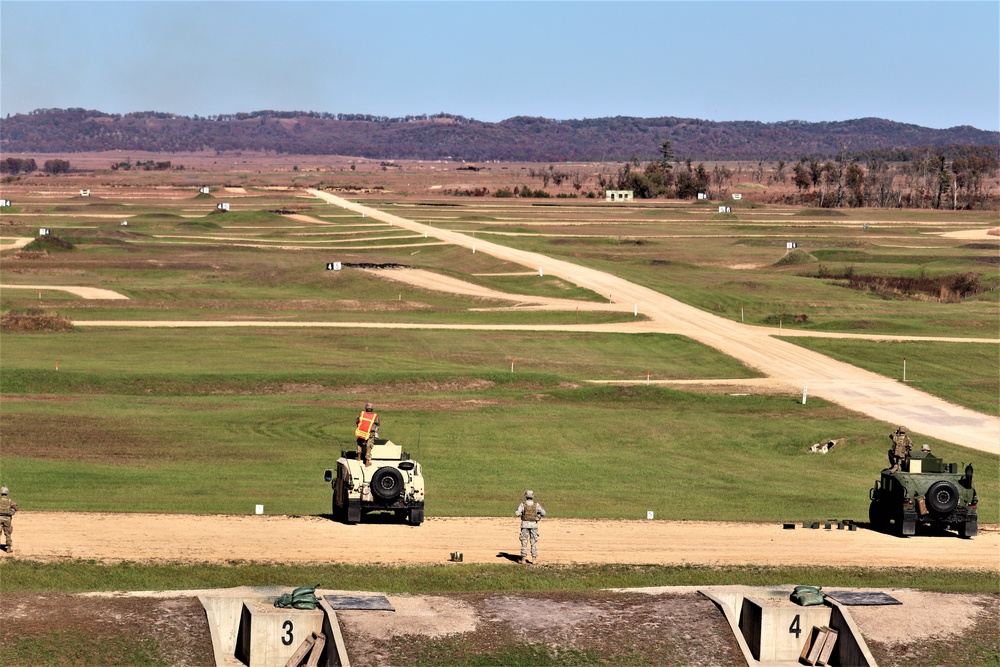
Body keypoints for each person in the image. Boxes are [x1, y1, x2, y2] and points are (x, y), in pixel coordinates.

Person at [515, 490, 545, 564]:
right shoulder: (536, 505)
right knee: (533, 542)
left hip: (524, 525)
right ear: (533, 496)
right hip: (534, 525)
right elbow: (543, 513)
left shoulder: (523, 504)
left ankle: (523, 559)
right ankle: (534, 559)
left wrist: (522, 513)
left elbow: (517, 513)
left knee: (524, 542)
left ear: (526, 496)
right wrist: (538, 517)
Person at [355, 402, 380, 467]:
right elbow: (378, 423)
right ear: (372, 409)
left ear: (366, 408)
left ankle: (358, 457)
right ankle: (367, 461)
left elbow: (357, 421)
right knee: (369, 446)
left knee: (359, 443)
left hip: (362, 431)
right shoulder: (374, 416)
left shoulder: (362, 414)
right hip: (370, 433)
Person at [0, 486, 18, 554]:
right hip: (7, 518)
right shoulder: (10, 501)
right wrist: (12, 511)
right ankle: (9, 547)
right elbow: (16, 507)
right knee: (8, 533)